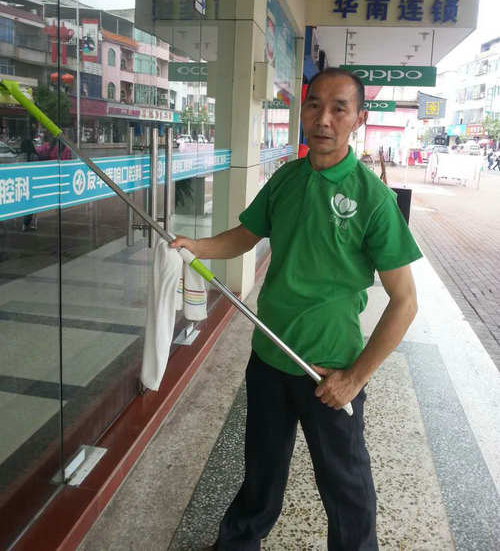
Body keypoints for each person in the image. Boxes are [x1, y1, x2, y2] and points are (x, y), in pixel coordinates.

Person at [170, 67, 422, 551]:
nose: (323, 118)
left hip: (328, 369)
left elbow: (405, 302)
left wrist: (355, 378)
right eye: (314, 105)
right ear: (303, 112)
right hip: (270, 356)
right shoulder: (287, 178)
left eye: (339, 108)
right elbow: (246, 235)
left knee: (346, 487)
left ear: (359, 119)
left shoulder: (372, 198)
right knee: (260, 471)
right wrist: (196, 246)